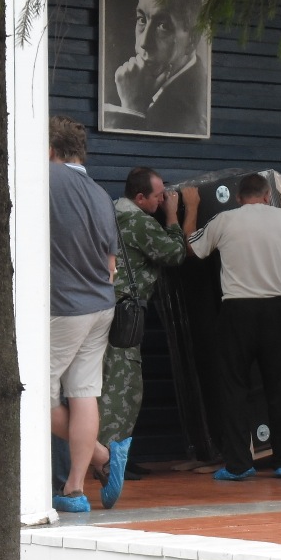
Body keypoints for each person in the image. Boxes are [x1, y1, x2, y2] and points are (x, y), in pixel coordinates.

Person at [182, 174, 281, 481]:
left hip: (236, 311)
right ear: (267, 196)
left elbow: (192, 248)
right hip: (276, 309)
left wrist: (190, 208)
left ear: (238, 197)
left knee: (233, 387)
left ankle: (238, 465)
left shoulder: (224, 220)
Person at [47, 114, 129, 513]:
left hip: (63, 308)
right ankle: (74, 489)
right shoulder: (100, 194)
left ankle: (101, 456)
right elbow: (111, 264)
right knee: (83, 394)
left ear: (49, 149)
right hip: (101, 307)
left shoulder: (43, 179)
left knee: (30, 395)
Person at [97, 167, 186, 479]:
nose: (162, 200)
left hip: (99, 308)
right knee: (124, 388)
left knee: (103, 385)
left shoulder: (108, 212)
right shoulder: (139, 221)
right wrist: (173, 217)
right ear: (139, 197)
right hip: (124, 313)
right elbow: (175, 254)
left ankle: (111, 455)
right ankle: (109, 461)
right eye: (158, 196)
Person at [105, 0, 208, 136]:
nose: (144, 43)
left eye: (163, 26)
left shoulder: (195, 117)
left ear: (192, 40)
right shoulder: (134, 81)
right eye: (141, 19)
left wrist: (132, 109)